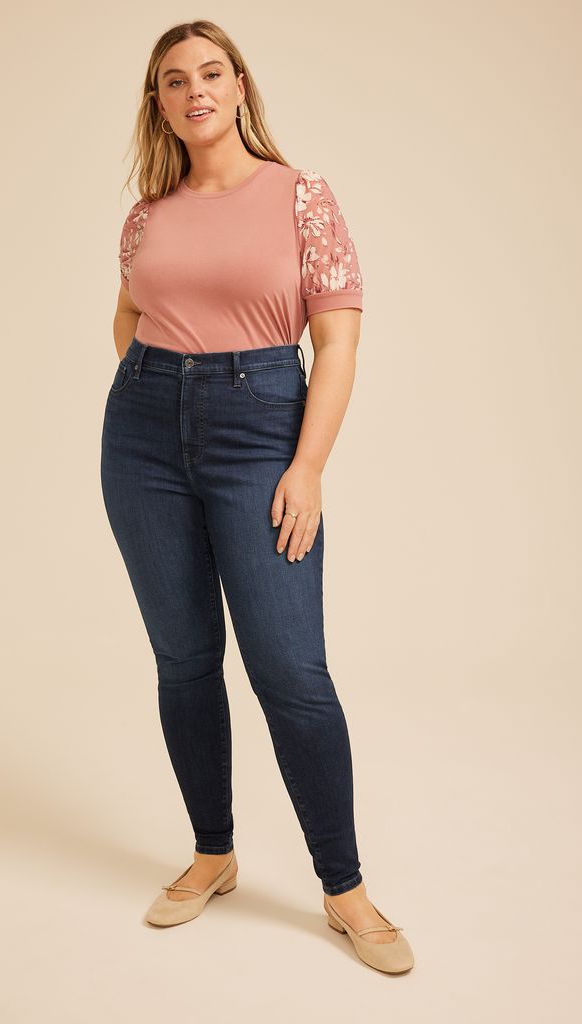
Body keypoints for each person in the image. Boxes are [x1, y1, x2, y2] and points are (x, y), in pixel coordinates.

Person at [100, 19, 414, 974]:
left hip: (262, 429)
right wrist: (162, 392)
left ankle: (343, 888)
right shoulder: (147, 213)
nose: (193, 90)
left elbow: (338, 342)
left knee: (289, 669)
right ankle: (213, 853)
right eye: (173, 80)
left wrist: (305, 464)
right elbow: (128, 317)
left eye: (210, 72)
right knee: (183, 658)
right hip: (143, 435)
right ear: (158, 103)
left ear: (239, 86)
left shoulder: (300, 196)